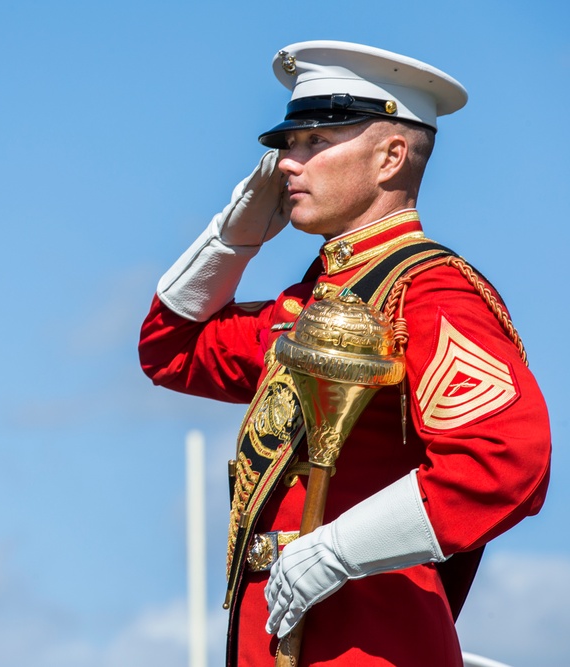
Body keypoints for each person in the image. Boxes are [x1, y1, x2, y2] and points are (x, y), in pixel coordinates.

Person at [138, 41, 551, 666]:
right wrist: (232, 235)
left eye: (314, 142)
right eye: (287, 144)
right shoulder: (312, 300)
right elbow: (172, 350)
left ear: (391, 156)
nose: (284, 165)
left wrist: (336, 551)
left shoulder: (428, 290)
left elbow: (504, 462)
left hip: (371, 638)